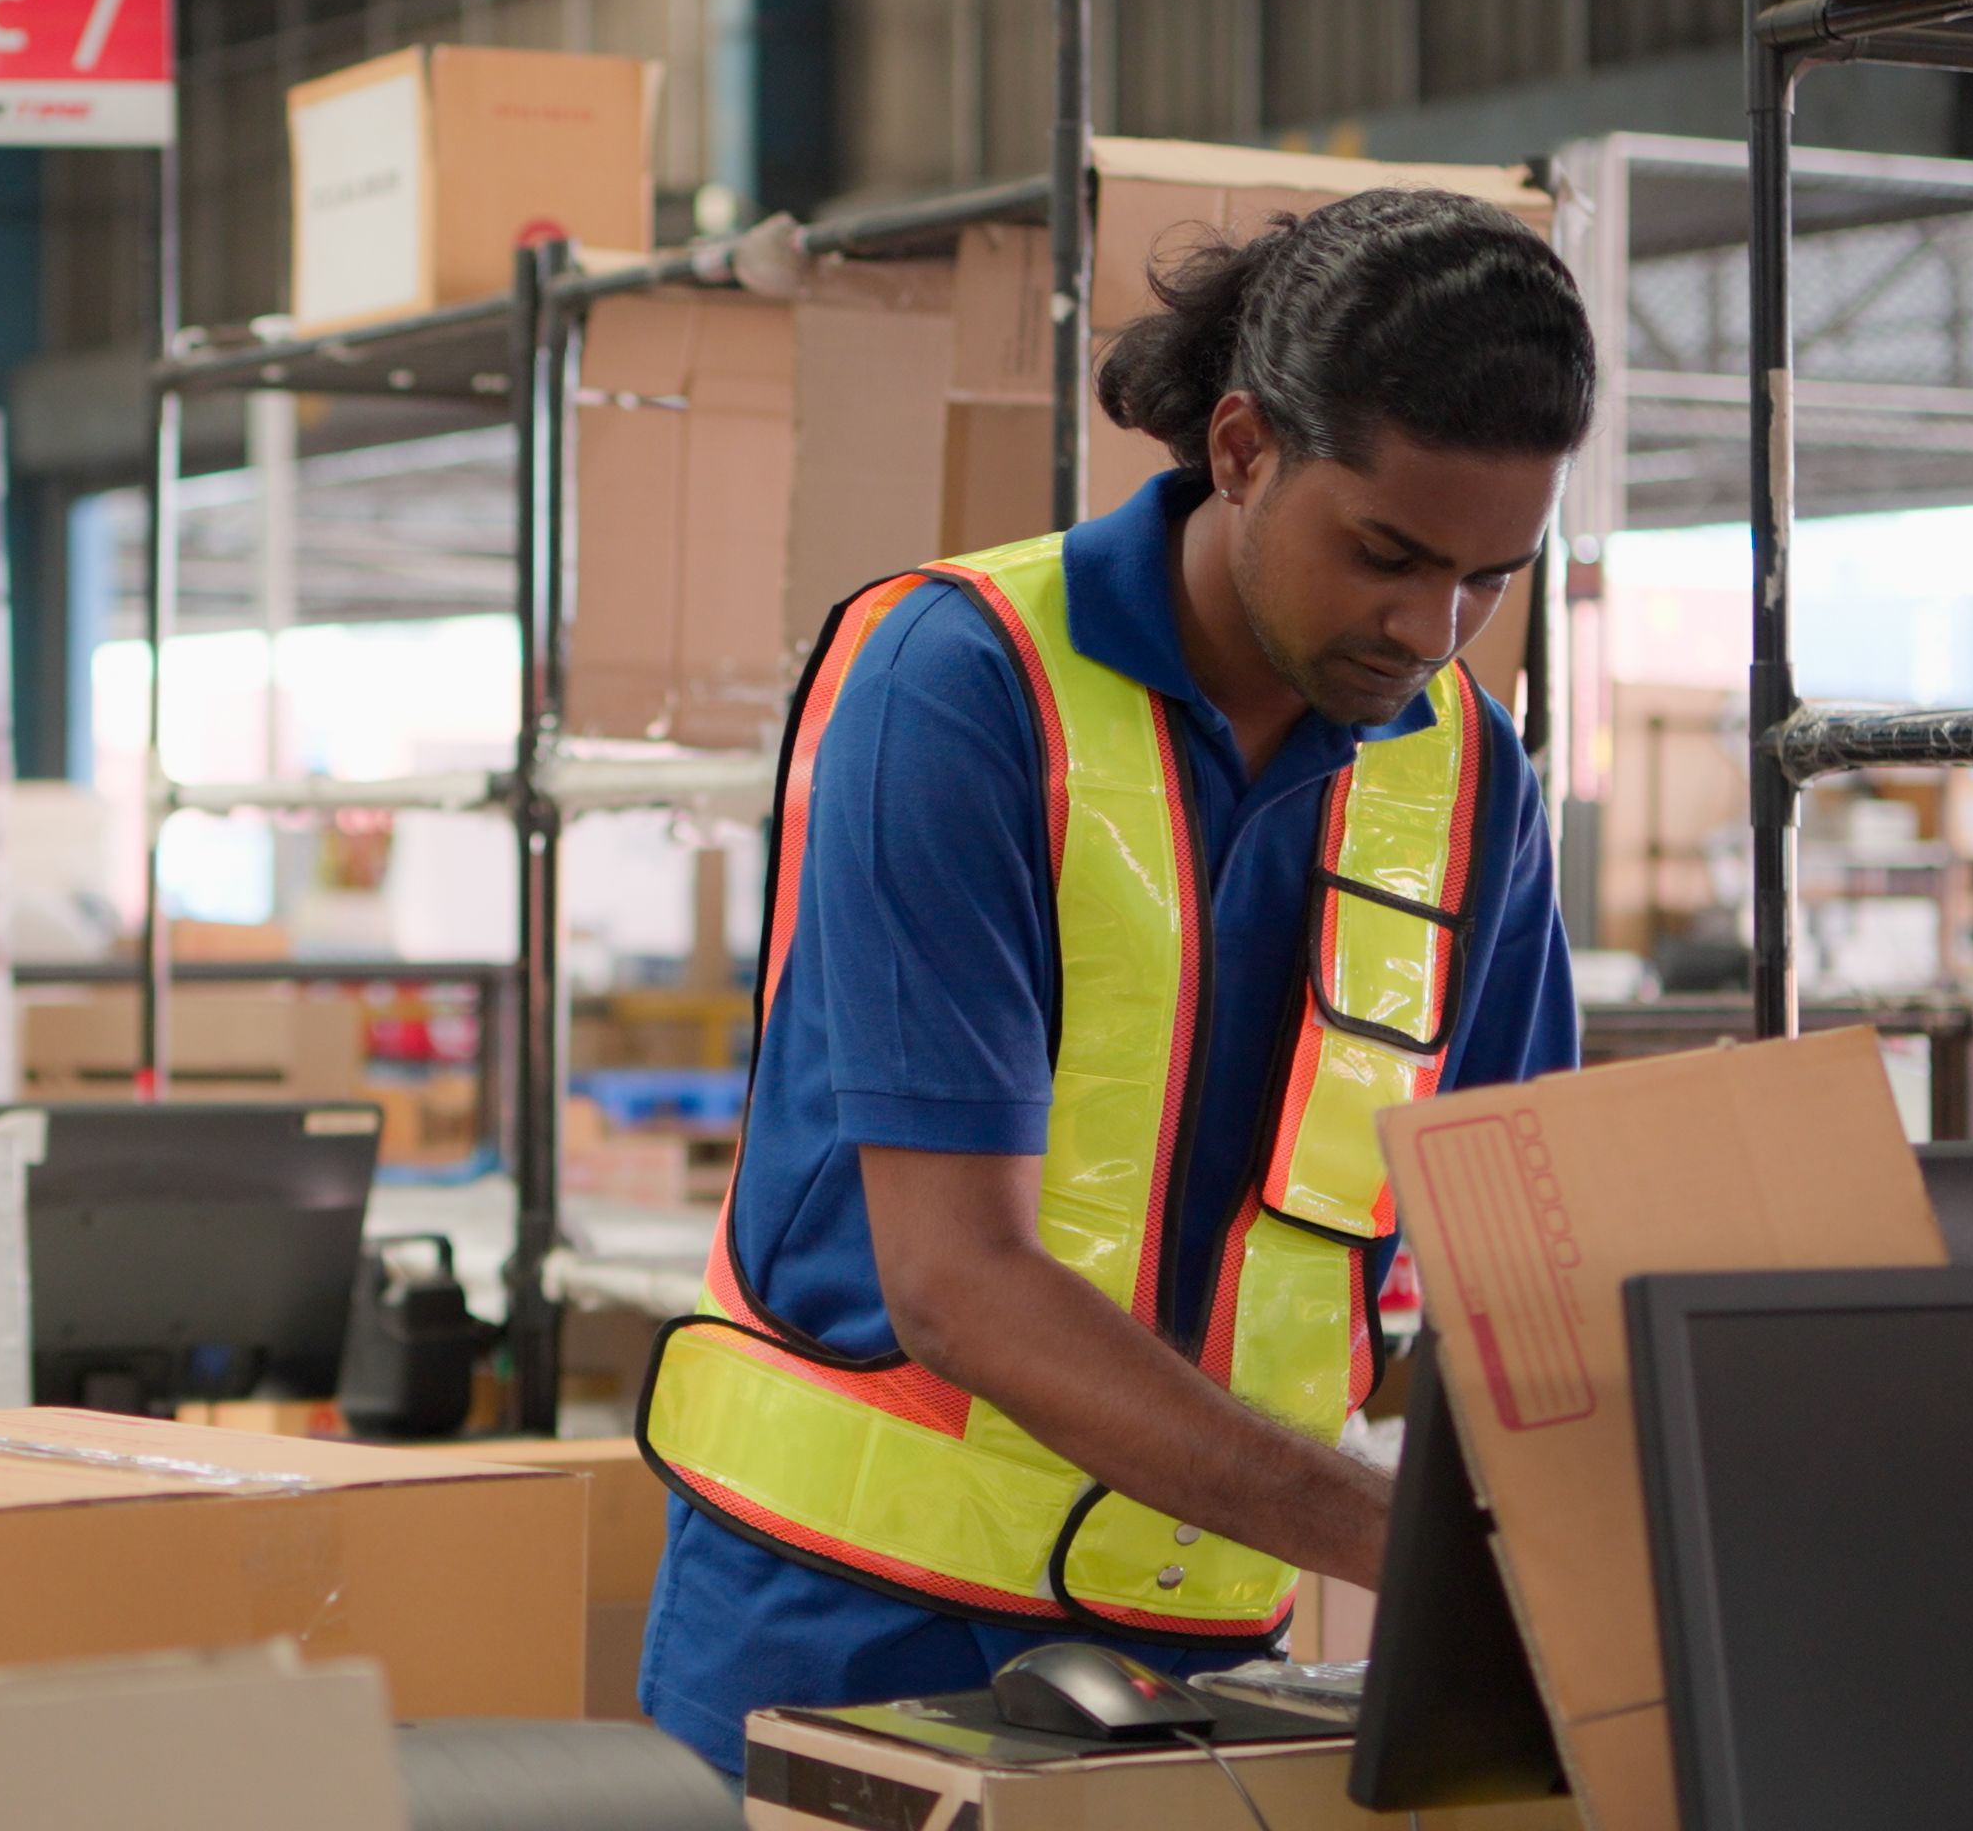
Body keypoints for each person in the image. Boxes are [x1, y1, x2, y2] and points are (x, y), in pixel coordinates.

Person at [633, 189, 1590, 1774]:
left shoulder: (1473, 781)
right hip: (847, 1642)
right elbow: (958, 1284)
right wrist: (1426, 1549)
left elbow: (1515, 1241)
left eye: (1493, 577)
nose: (1432, 629)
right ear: (1238, 450)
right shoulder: (963, 682)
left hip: (1210, 1658)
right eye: (1387, 556)